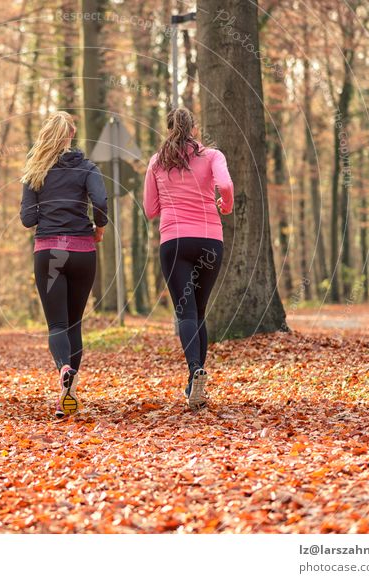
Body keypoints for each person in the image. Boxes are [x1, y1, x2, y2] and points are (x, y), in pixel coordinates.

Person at [143, 107, 234, 410]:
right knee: (200, 311)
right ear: (194, 129)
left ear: (168, 129)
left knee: (186, 312)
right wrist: (226, 204)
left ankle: (195, 371)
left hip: (175, 242)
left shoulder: (157, 162)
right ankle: (194, 380)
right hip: (210, 241)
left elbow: (150, 209)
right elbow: (227, 187)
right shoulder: (212, 156)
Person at [20, 111, 108, 418]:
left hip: (49, 253)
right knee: (74, 324)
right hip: (83, 252)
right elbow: (100, 201)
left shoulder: (35, 171)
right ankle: (67, 395)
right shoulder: (87, 167)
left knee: (57, 324)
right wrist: (99, 226)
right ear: (71, 136)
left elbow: (27, 219)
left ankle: (64, 370)